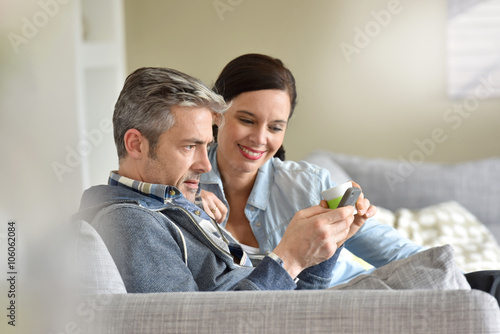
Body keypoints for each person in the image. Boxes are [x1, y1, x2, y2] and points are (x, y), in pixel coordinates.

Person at [74, 66, 357, 293]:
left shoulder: (170, 202)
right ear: (136, 145)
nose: (205, 164)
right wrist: (289, 258)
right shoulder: (130, 224)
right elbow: (195, 326)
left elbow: (293, 303)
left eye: (205, 145)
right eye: (189, 146)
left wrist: (328, 243)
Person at [199, 53, 425, 286]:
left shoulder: (308, 184)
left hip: (340, 296)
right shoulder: (184, 187)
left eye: (275, 127)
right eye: (247, 120)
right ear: (216, 113)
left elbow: (405, 257)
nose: (260, 139)